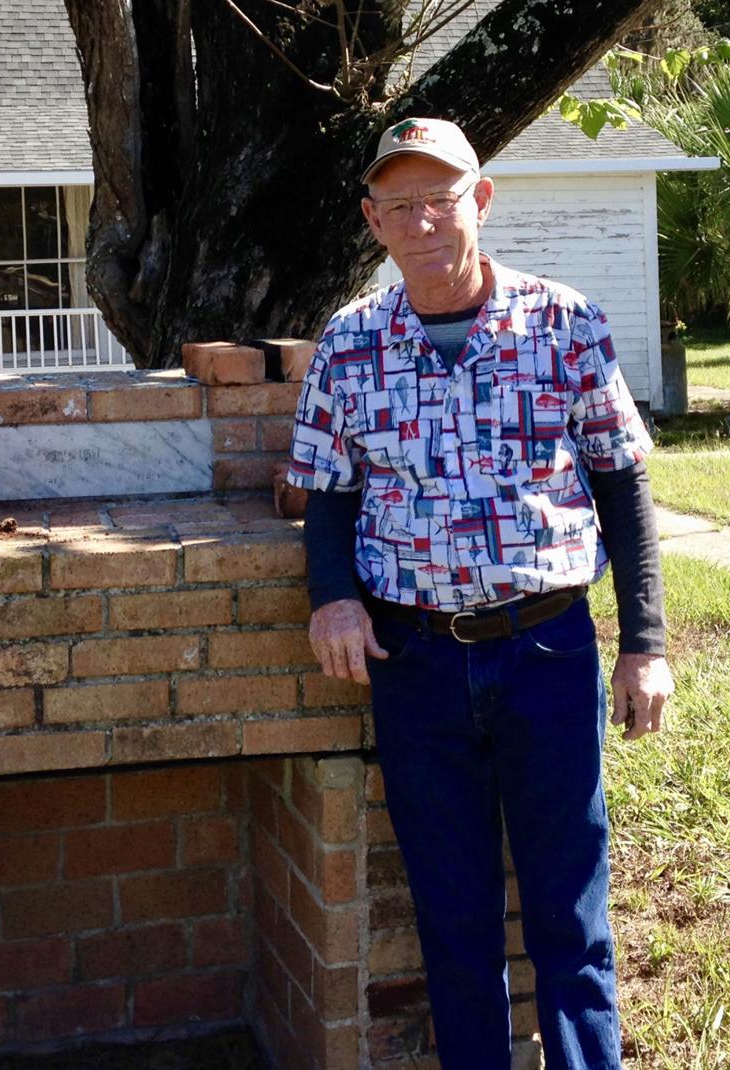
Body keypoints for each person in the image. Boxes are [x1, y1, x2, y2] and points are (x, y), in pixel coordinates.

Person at [286, 117, 674, 1070]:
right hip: (413, 660)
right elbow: (329, 493)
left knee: (568, 908)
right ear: (374, 221)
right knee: (453, 915)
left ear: (482, 201)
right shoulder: (349, 344)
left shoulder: (565, 322)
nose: (425, 222)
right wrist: (332, 598)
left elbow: (622, 479)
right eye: (402, 205)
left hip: (546, 651)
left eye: (443, 199)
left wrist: (646, 640)